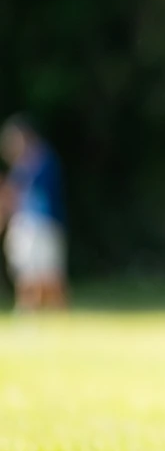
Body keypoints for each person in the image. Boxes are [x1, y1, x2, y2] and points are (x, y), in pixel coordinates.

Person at [0, 116, 68, 311]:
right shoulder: (21, 166)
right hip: (25, 225)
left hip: (44, 224)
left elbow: (24, 193)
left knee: (49, 274)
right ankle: (28, 311)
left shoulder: (42, 160)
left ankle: (58, 312)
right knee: (26, 273)